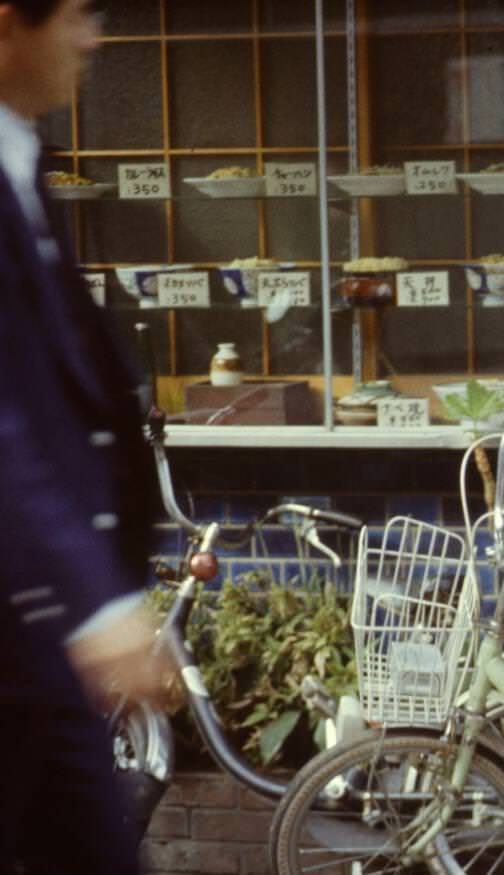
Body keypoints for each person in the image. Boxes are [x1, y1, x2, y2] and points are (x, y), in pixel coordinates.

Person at [0, 1, 170, 872]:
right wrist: (100, 600)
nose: (93, 38)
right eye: (76, 14)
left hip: (38, 634)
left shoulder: (21, 158)